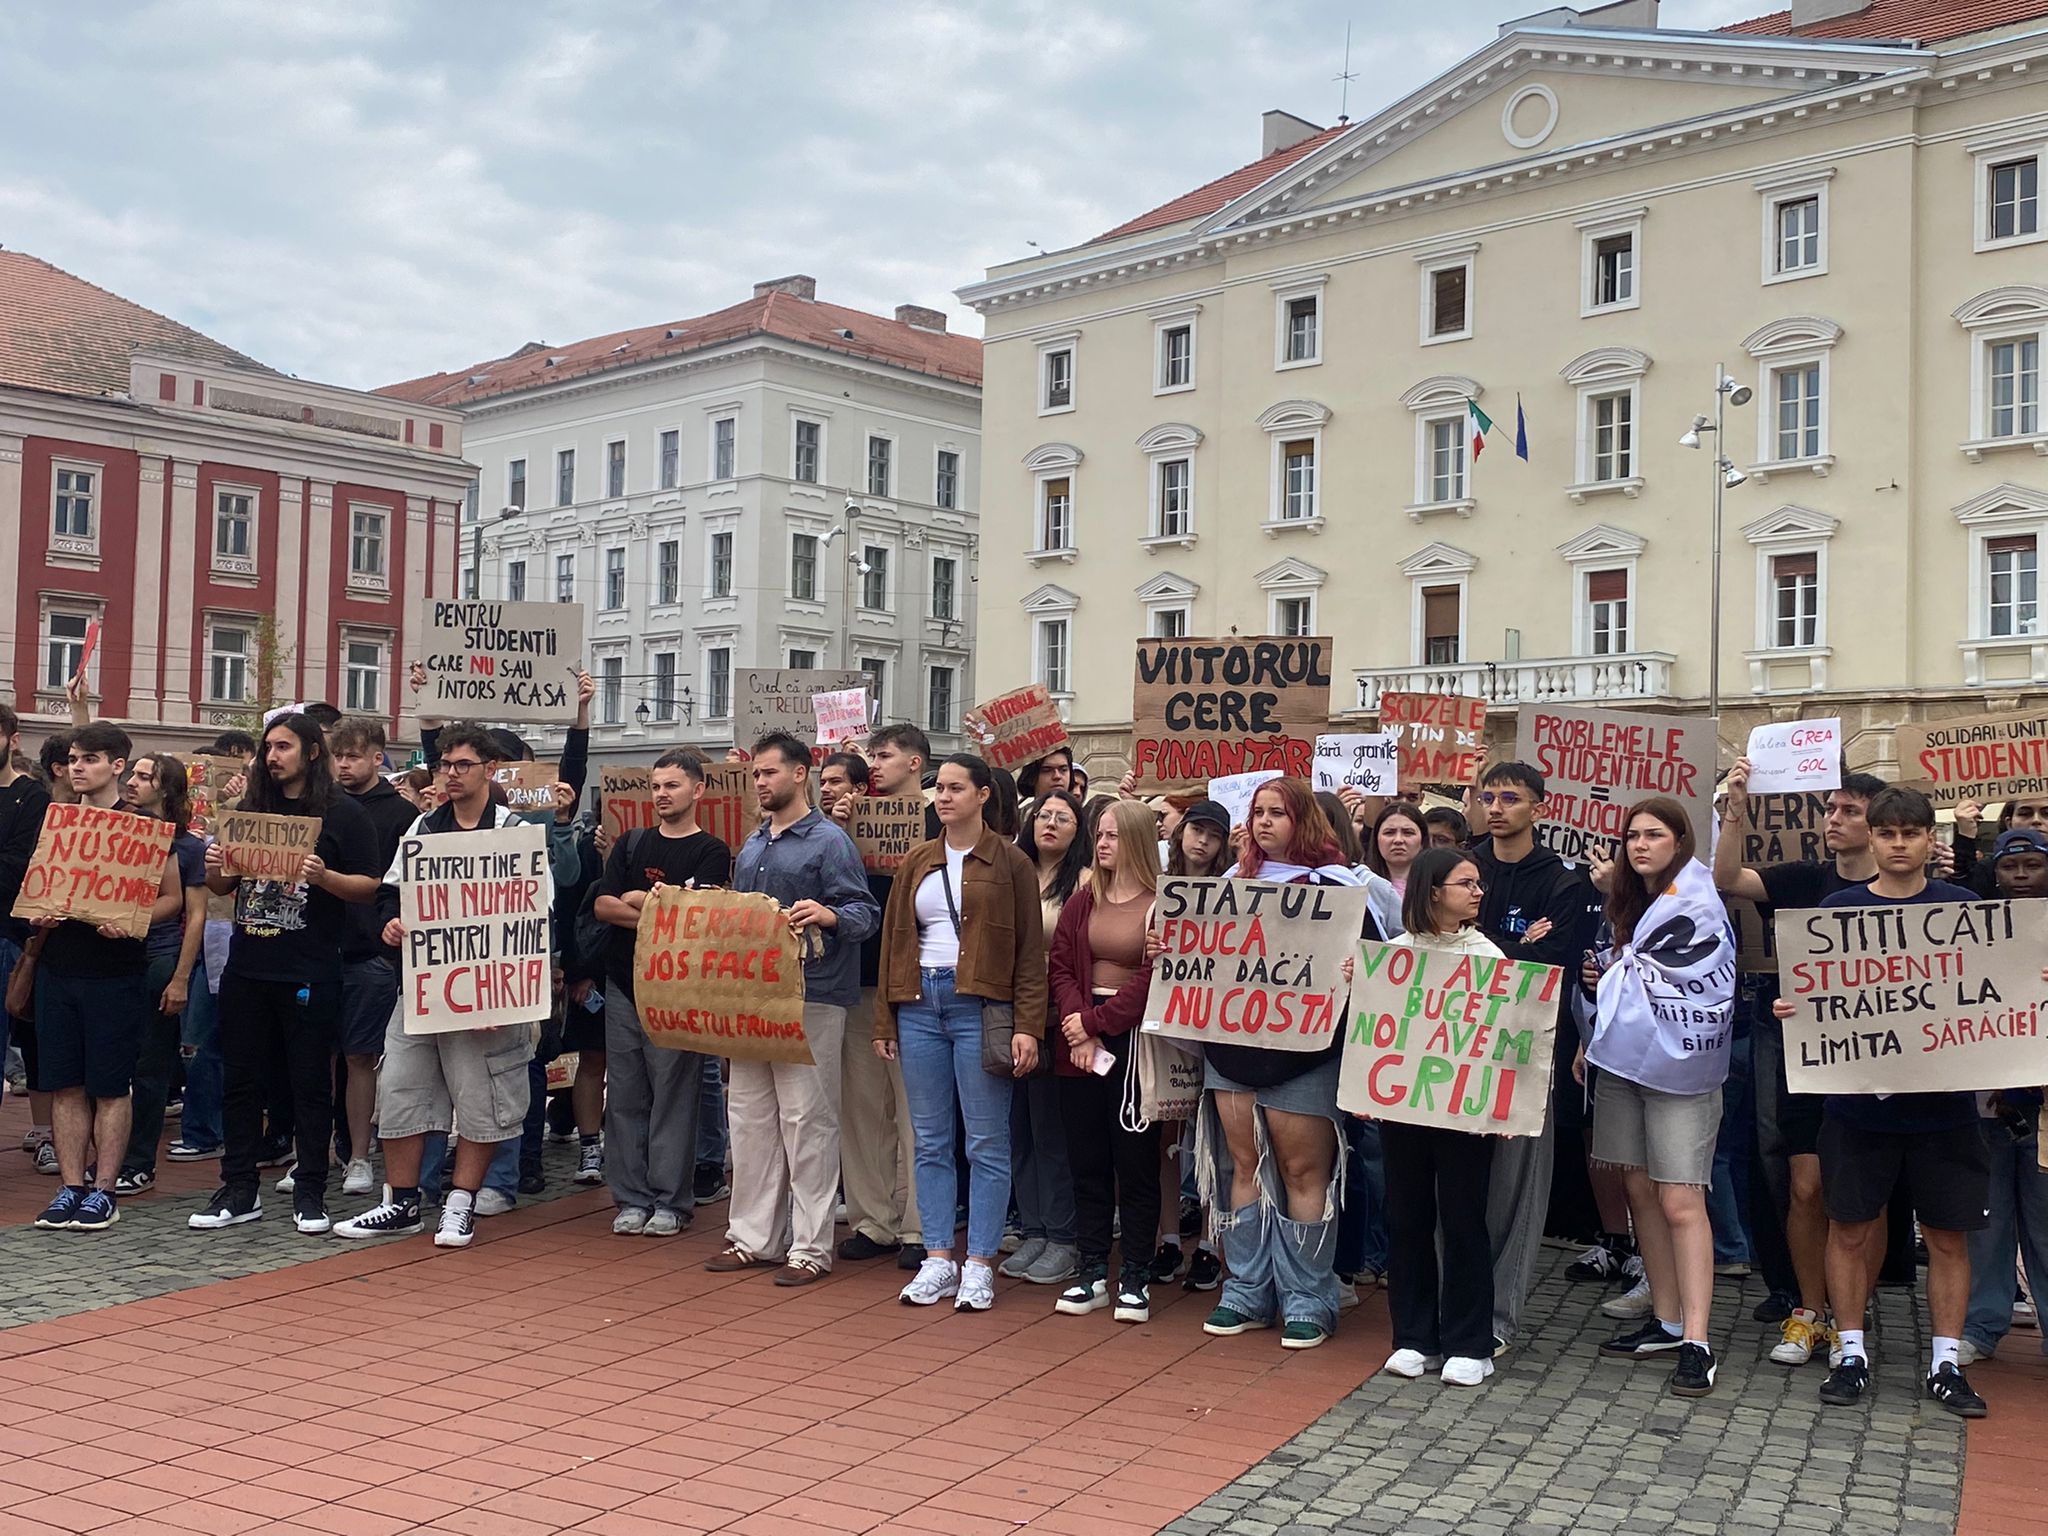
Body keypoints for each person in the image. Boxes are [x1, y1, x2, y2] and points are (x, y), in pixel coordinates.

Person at [1772, 786, 1989, 1417]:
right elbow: (1810, 995)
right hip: (1858, 1108)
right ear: (1874, 839)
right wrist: (1794, 1009)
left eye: (1910, 834)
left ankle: (1946, 1362)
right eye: (1888, 833)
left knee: (1949, 1238)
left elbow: (1992, 987)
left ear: (1929, 841)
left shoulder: (1964, 907)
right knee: (1849, 1229)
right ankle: (1850, 1352)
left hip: (1943, 1109)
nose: (1898, 844)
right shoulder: (1837, 910)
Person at [332, 725, 563, 1248]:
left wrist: (497, 993)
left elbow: (537, 912)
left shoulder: (516, 831)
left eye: (462, 764)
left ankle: (461, 1203)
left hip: (486, 996)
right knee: (400, 1093)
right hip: (422, 990)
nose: (451, 774)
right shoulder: (422, 830)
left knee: (482, 1098)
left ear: (488, 769)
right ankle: (402, 1202)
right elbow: (393, 892)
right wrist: (392, 923)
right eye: (444, 765)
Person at [1713, 765, 1887, 1366]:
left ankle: (1852, 1321)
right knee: (1806, 1185)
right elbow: (1728, 877)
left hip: (1881, 1056)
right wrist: (1735, 808)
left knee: (1866, 1193)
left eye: (1848, 812)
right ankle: (1808, 1311)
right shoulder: (1805, 878)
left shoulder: (1904, 891)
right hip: (1807, 1048)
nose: (1831, 819)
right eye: (1830, 809)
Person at [1199, 778, 1380, 1350]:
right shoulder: (1229, 885)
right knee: (1243, 1166)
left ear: (1304, 821)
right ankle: (1247, 1288)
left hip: (1306, 1053)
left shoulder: (1344, 889)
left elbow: (1378, 966)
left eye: (1279, 812)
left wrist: (1361, 969)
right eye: (1258, 812)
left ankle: (1308, 1296)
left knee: (1304, 1173)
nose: (1265, 822)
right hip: (1233, 1048)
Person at [190, 714, 378, 1235]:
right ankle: (238, 1187)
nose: (272, 757)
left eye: (283, 747)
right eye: (267, 748)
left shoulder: (343, 813)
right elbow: (224, 887)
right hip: (248, 966)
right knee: (242, 1081)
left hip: (310, 968)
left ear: (312, 752)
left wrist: (326, 877)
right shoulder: (251, 808)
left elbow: (371, 885)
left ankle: (311, 1189)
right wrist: (214, 863)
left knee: (310, 1083)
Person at [875, 753, 1046, 1310]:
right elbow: (895, 942)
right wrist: (887, 1016)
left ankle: (979, 1262)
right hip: (921, 1001)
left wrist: (1028, 1027)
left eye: (954, 788)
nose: (943, 798)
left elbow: (1029, 953)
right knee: (929, 1140)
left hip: (980, 1005)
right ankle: (938, 1258)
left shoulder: (1011, 862)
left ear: (982, 796)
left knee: (986, 1141)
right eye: (938, 790)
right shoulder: (918, 860)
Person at [706, 733, 879, 1284]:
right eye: (756, 774)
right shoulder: (753, 844)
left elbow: (863, 912)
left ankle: (811, 1246)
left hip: (813, 996)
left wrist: (829, 915)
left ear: (800, 773)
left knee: (809, 1122)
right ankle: (752, 1237)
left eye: (770, 773)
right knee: (751, 1119)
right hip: (756, 998)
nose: (760, 782)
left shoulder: (830, 842)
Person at [1582, 798, 1737, 1398]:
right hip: (1623, 1058)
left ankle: (1698, 1340)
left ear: (1682, 840)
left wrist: (1739, 813)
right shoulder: (1625, 901)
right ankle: (1668, 1321)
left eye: (1654, 834)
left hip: (1683, 1068)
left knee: (1680, 1198)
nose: (1640, 845)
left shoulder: (1700, 899)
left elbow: (1700, 978)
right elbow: (1619, 969)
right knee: (1638, 1187)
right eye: (1632, 836)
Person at [30, 725, 183, 1233]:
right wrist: (38, 916)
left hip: (116, 973)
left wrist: (133, 920)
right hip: (59, 967)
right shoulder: (58, 821)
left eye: (90, 759)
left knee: (112, 1086)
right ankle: (70, 1185)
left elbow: (173, 900)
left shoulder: (141, 826)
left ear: (117, 765)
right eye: (73, 758)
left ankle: (104, 1190)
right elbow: (40, 886)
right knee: (65, 1084)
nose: (76, 767)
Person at [1468, 762, 1589, 1352]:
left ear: (1539, 806)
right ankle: (1454, 1300)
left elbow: (1557, 961)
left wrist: (1498, 949)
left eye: (1510, 798)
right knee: (1459, 1183)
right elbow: (1439, 944)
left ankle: (1497, 1317)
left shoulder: (1564, 879)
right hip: (1453, 1046)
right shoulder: (1462, 866)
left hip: (1528, 1047)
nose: (1496, 807)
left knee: (1516, 1189)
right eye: (1487, 796)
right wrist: (1519, 946)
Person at [1373, 847, 1501, 1386]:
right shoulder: (1394, 956)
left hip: (1466, 1113)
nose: (1477, 892)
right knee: (1407, 1218)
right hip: (1404, 1109)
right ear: (1432, 893)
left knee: (1464, 1218)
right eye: (1465, 883)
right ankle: (1413, 1337)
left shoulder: (1488, 956)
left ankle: (1471, 1341)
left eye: (1478, 884)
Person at [593, 749, 731, 1236]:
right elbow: (605, 905)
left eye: (672, 785)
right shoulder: (631, 843)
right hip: (624, 986)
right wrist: (654, 910)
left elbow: (697, 919)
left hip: (678, 991)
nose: (662, 794)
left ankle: (672, 1200)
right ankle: (630, 1197)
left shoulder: (712, 851)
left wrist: (642, 902)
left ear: (698, 790)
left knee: (675, 1094)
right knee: (626, 1096)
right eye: (655, 786)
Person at [1048, 800, 1162, 1321]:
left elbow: (1155, 978)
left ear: (1136, 840)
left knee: (1134, 1163)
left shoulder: (1162, 904)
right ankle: (1092, 1268)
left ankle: (1136, 1273)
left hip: (1131, 1042)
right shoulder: (1082, 900)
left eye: (1114, 835)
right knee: (1086, 1160)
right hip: (1079, 1041)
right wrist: (1077, 1022)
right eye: (1100, 835)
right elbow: (1063, 965)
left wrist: (1097, 1024)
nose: (1103, 844)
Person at [828, 723, 935, 1270]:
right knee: (863, 1107)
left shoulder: (941, 821)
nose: (873, 763)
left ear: (915, 764)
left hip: (918, 984)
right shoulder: (845, 823)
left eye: (884, 755)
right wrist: (840, 832)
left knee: (918, 1111)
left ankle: (922, 1224)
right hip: (860, 977)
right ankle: (873, 1219)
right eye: (870, 754)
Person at [1962, 827, 2048, 1368]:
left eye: (2033, 866)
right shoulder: (1973, 933)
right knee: (1987, 1225)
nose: (2020, 876)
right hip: (1988, 1102)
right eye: (2011, 868)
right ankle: (1982, 1325)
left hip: (2044, 1112)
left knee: (2044, 1224)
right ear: (1994, 872)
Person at [327, 720, 419, 1197]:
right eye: (338, 755)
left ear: (378, 758)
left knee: (361, 1056)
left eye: (354, 756)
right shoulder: (320, 806)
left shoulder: (401, 814)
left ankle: (360, 1156)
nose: (344, 764)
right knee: (318, 1057)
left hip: (371, 952)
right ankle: (319, 1152)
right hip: (319, 947)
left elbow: (402, 882)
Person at [113, 754, 207, 1195]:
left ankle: (139, 1162)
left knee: (150, 1070)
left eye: (144, 776)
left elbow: (197, 915)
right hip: (113, 962)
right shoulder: (117, 829)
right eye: (131, 773)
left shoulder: (187, 847)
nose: (133, 782)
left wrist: (181, 978)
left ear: (166, 789)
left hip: (159, 959)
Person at [1001, 789, 1084, 1286]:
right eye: (1043, 815)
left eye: (1063, 817)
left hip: (1057, 1019)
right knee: (1018, 1129)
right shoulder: (1012, 871)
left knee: (1052, 1131)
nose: (1050, 823)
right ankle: (1032, 1228)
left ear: (1079, 831)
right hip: (1004, 1018)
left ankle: (1062, 1237)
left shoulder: (1085, 882)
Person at [167, 731, 258, 1166]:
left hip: (227, 933)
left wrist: (235, 806)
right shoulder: (198, 829)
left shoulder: (243, 811)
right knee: (201, 1039)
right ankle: (206, 1127)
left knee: (209, 1040)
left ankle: (206, 1130)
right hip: (211, 936)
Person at [0, 705, 53, 1136]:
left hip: (8, 936)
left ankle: (43, 1131)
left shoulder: (31, 797)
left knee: (26, 1043)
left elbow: (16, 869)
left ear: (12, 739)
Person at [1364, 801, 1428, 901]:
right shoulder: (1359, 883)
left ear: (1423, 840)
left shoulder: (1437, 887)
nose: (1398, 840)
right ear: (1376, 839)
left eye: (1408, 833)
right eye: (1389, 832)